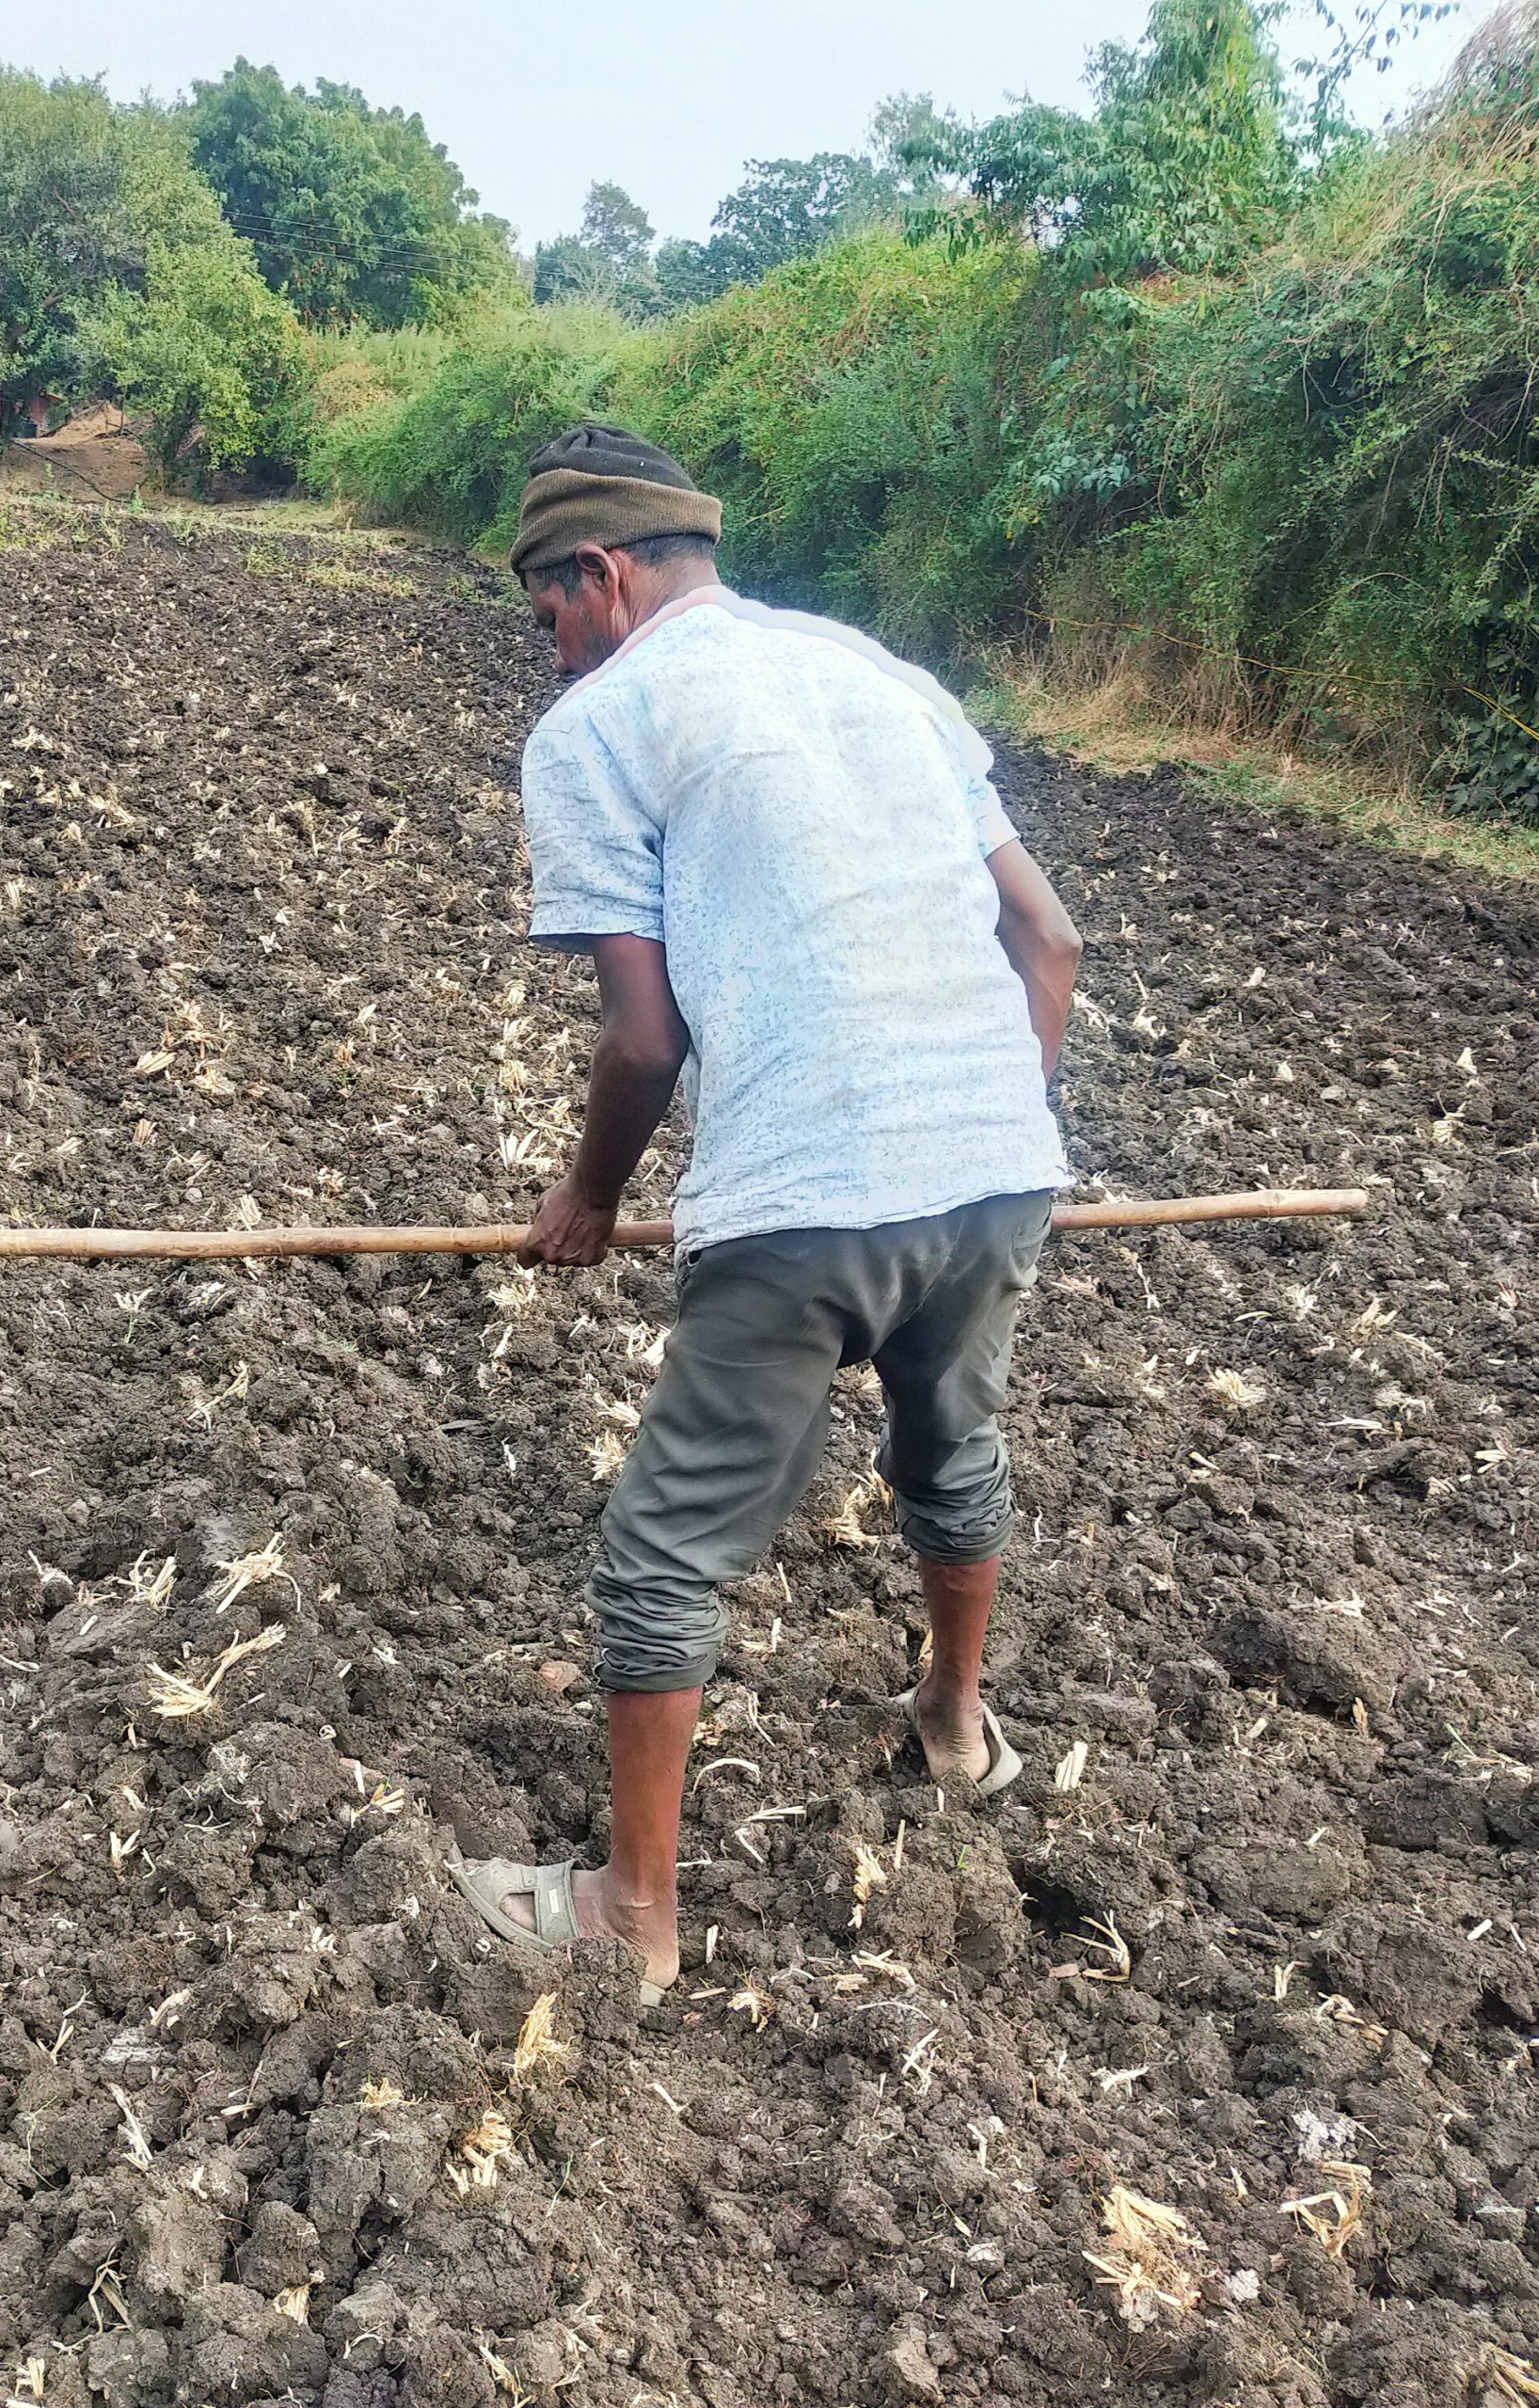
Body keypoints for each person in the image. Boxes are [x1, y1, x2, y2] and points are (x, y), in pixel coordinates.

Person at [451, 424, 1082, 2001]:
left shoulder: (601, 725)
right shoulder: (877, 669)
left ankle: (632, 1916)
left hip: (802, 1197)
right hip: (1001, 1166)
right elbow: (1048, 944)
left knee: (663, 1548)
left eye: (546, 618)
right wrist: (998, 1122)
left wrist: (586, 1201)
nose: (549, 654)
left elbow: (644, 1038)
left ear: (597, 576)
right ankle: (952, 1726)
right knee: (955, 1448)